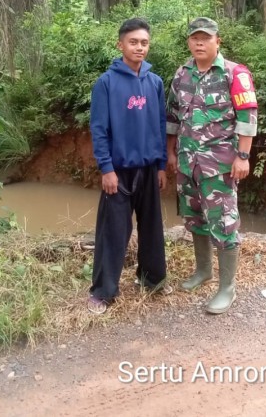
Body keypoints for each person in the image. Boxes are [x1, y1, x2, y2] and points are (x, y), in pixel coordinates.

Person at [166, 17, 258, 314]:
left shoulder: (234, 74)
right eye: (195, 38)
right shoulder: (182, 74)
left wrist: (243, 156)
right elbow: (172, 118)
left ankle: (227, 288)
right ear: (189, 42)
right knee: (195, 218)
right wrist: (170, 153)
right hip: (188, 164)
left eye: (206, 38)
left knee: (224, 224)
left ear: (218, 40)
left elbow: (247, 118)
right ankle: (203, 270)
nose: (200, 43)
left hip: (219, 166)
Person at [87, 17, 171, 314]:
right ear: (120, 44)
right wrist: (106, 168)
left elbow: (160, 126)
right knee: (113, 232)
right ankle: (103, 292)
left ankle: (152, 280)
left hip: (149, 168)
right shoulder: (106, 83)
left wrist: (161, 165)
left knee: (151, 228)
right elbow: (98, 129)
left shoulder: (155, 82)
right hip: (118, 171)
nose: (139, 47)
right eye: (133, 42)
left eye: (144, 43)